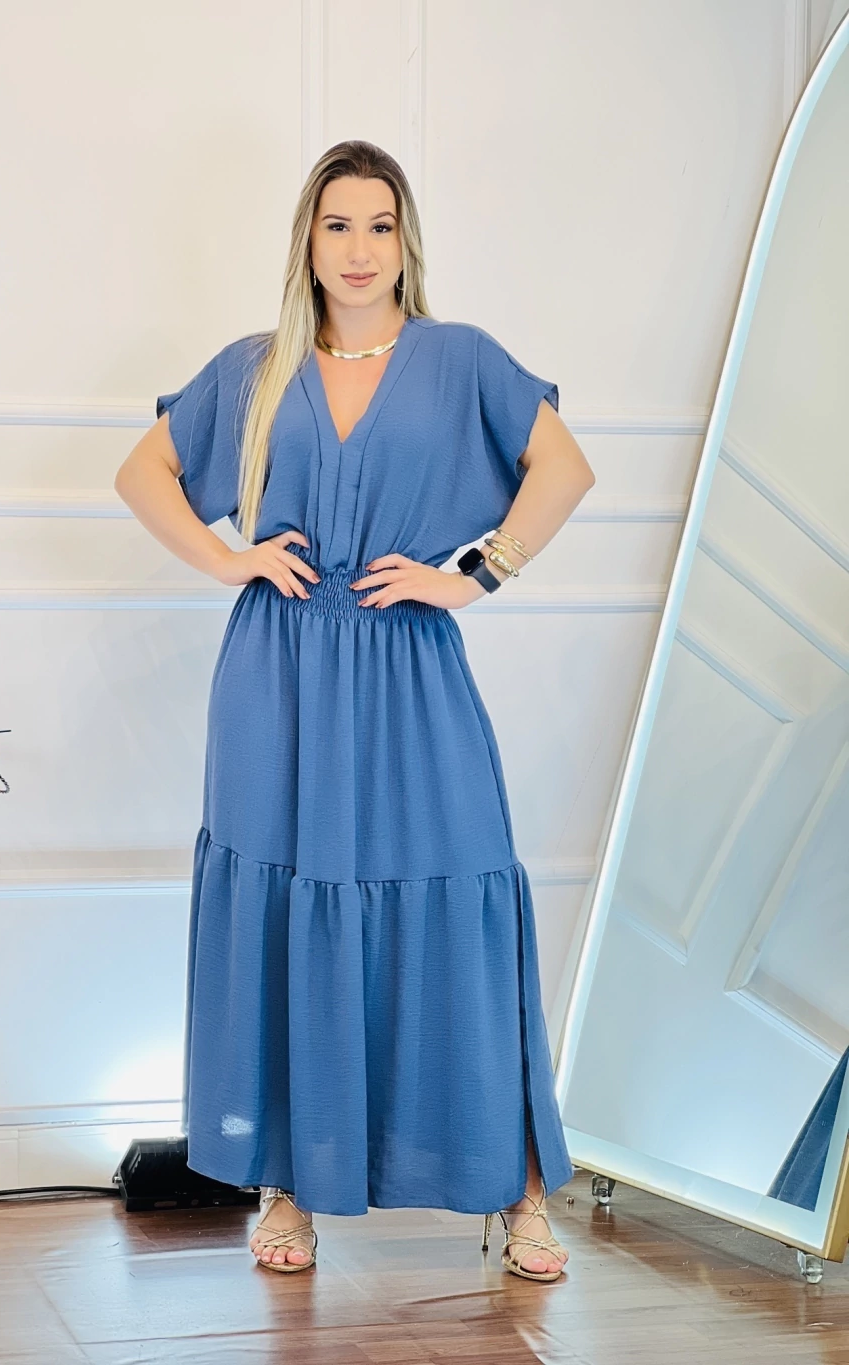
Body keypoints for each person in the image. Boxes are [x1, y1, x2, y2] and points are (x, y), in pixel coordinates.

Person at [115, 139, 595, 1281]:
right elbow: (141, 474)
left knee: (460, 887)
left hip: (410, 663)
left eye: (381, 225)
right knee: (291, 906)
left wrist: (474, 575)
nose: (360, 249)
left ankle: (519, 1190)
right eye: (339, 225)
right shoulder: (255, 367)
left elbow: (565, 469)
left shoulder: (458, 357)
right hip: (276, 673)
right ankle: (288, 1185)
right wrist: (228, 560)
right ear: (308, 241)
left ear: (405, 241)